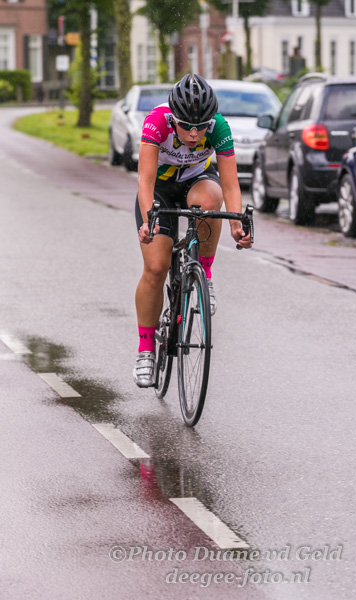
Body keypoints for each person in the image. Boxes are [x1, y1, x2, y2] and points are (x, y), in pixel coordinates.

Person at [133, 74, 252, 388]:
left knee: (211, 202)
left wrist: (236, 225)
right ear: (174, 118)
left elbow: (230, 185)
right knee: (156, 267)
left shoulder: (219, 127)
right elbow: (145, 180)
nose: (195, 133)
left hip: (196, 182)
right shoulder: (157, 122)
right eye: (187, 126)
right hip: (159, 190)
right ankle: (146, 348)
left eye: (201, 126)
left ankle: (205, 275)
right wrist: (148, 220)